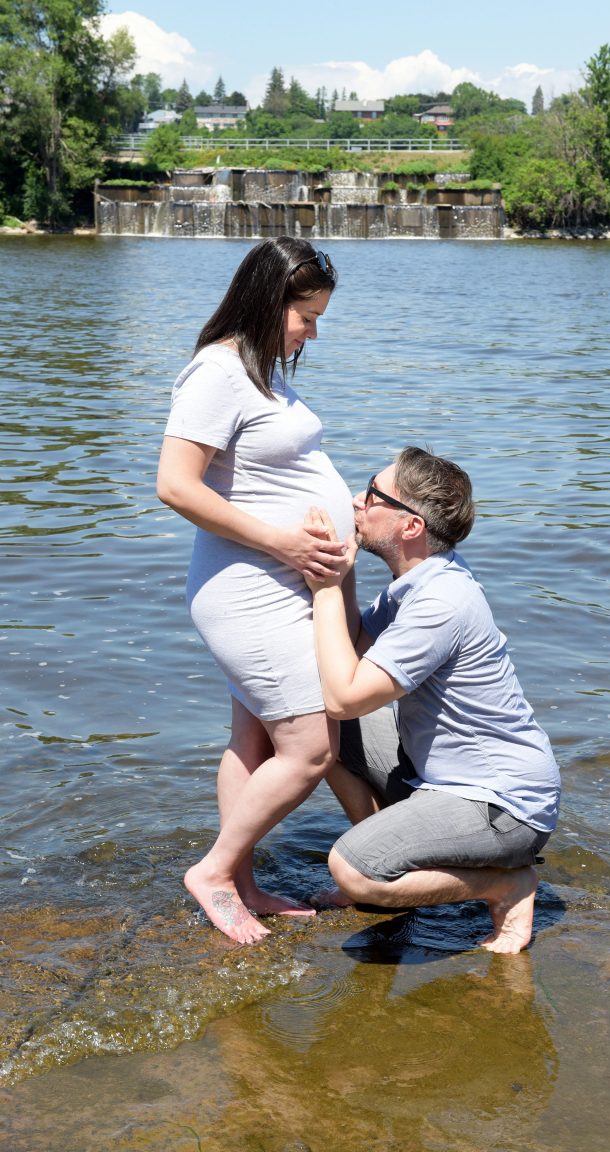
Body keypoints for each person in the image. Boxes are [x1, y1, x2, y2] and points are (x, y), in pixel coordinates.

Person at [156, 237, 353, 945]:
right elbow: (174, 485)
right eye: (306, 316)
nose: (312, 331)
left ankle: (242, 882)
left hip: (281, 582)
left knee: (255, 742)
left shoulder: (261, 371)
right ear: (270, 304)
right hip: (249, 589)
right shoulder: (216, 372)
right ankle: (212, 871)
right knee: (309, 748)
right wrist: (285, 542)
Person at [304, 447, 561, 953]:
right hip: (443, 779)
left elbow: (345, 697)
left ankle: (506, 885)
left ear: (411, 526)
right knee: (311, 728)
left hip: (502, 803)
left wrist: (326, 590)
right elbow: (352, 655)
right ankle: (392, 858)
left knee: (352, 870)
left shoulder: (441, 602)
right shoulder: (419, 581)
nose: (358, 500)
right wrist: (343, 568)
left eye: (374, 494)